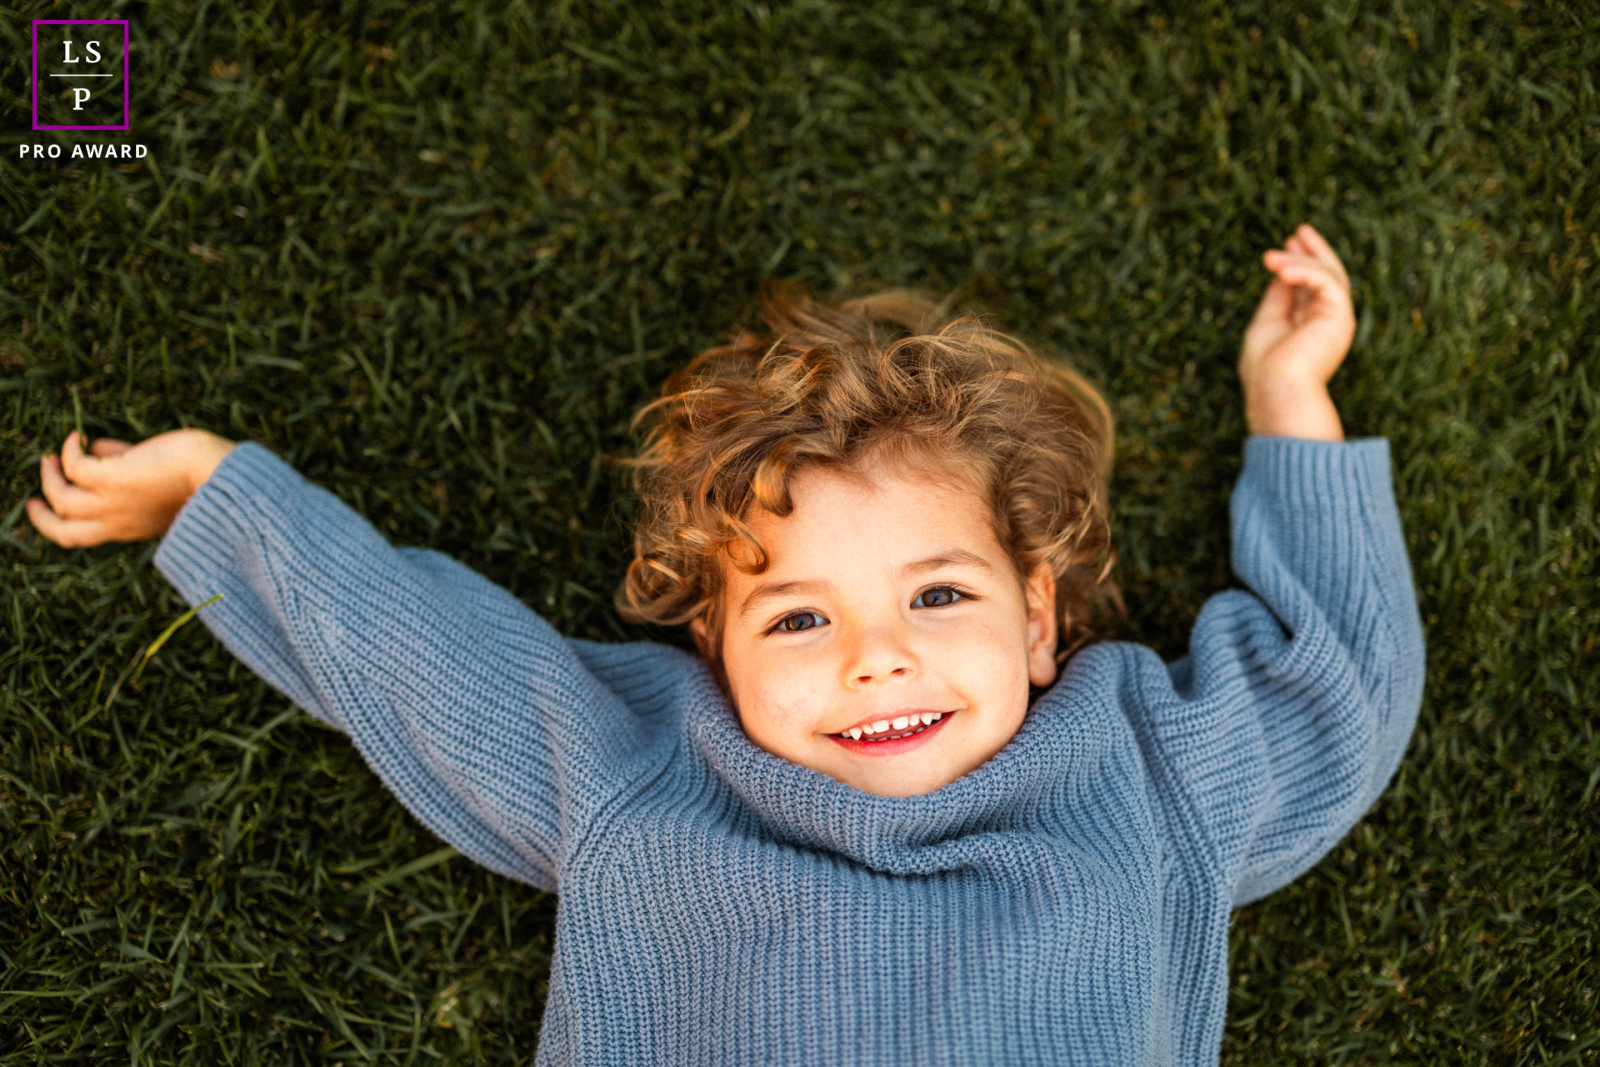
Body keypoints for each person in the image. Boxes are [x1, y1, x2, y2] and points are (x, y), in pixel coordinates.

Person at [26, 224, 1423, 1066]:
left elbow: (1335, 686)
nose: (876, 658)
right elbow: (419, 653)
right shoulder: (652, 762)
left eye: (940, 598)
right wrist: (225, 498)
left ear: (1042, 618)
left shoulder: (1141, 770)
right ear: (715, 648)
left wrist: (1287, 395)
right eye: (801, 617)